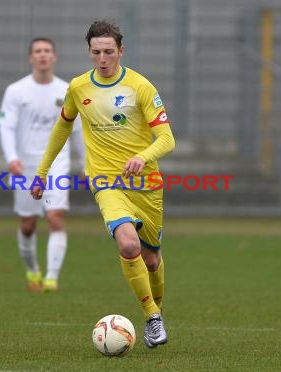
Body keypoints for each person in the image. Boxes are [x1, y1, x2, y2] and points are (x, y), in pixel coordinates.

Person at [31, 21, 175, 348]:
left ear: (121, 51)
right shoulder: (79, 88)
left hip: (147, 185)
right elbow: (61, 129)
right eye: (96, 52)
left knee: (151, 260)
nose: (103, 58)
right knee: (128, 245)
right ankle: (151, 317)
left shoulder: (141, 87)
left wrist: (143, 155)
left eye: (109, 51)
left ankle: (157, 309)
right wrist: (41, 172)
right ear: (89, 52)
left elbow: (167, 139)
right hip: (105, 182)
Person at [0, 37, 84, 293]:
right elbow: (6, 126)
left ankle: (52, 278)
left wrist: (87, 163)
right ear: (31, 58)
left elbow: (78, 131)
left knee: (56, 217)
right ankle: (33, 269)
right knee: (28, 224)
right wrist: (12, 157)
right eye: (38, 51)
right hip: (26, 166)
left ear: (54, 57)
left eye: (47, 51)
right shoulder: (16, 91)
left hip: (57, 164)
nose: (43, 55)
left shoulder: (68, 90)